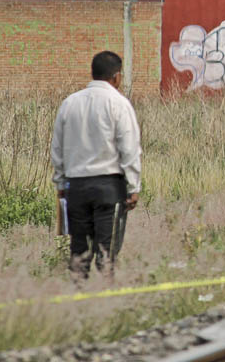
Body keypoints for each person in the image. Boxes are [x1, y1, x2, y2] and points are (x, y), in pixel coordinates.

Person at [50, 51, 141, 279]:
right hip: (109, 187)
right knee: (107, 251)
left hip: (76, 188)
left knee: (79, 252)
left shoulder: (69, 103)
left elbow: (57, 148)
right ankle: (104, 297)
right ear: (117, 77)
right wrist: (133, 187)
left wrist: (61, 183)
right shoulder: (119, 103)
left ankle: (79, 295)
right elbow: (129, 149)